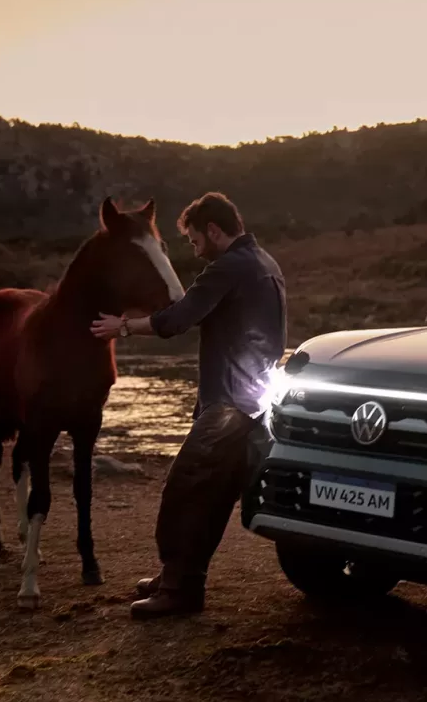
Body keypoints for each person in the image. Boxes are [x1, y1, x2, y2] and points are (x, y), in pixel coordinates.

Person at [91, 192, 286, 619]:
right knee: (212, 496)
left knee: (186, 489)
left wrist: (121, 327)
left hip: (229, 402)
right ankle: (179, 579)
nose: (195, 250)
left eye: (196, 240)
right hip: (253, 401)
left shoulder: (229, 267)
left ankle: (179, 591)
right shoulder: (265, 263)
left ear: (214, 231)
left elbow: (176, 319)